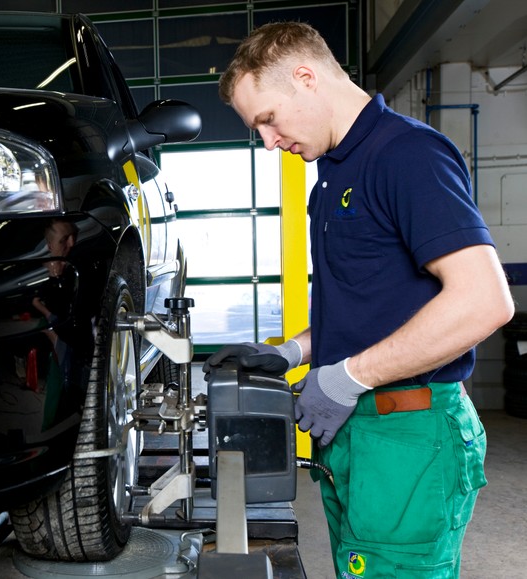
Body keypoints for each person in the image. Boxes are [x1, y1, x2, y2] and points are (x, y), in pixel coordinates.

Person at [208, 21, 514, 578]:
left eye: (268, 120)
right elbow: (369, 306)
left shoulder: (407, 154)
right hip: (356, 434)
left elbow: (484, 302)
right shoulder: (332, 173)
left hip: (408, 434)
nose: (269, 142)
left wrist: (346, 377)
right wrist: (293, 353)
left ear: (305, 77)